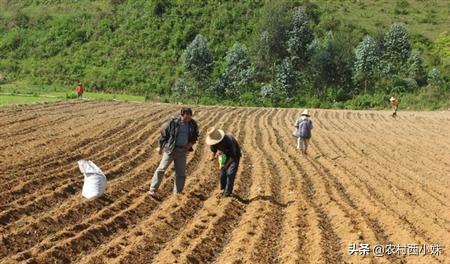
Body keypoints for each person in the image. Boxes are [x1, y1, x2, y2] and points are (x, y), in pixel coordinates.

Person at [149, 107, 199, 197]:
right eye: (186, 117)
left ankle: (177, 194)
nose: (188, 119)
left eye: (190, 117)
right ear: (181, 115)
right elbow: (164, 134)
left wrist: (190, 144)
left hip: (182, 151)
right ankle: (153, 189)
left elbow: (195, 136)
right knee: (161, 169)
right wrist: (160, 147)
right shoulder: (173, 122)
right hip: (171, 150)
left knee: (181, 173)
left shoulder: (192, 124)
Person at [206, 127, 241, 197]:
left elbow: (233, 156)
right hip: (224, 154)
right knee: (223, 174)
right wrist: (212, 157)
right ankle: (224, 189)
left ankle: (227, 193)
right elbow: (214, 150)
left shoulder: (228, 140)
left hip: (234, 155)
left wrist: (226, 165)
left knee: (230, 173)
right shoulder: (213, 141)